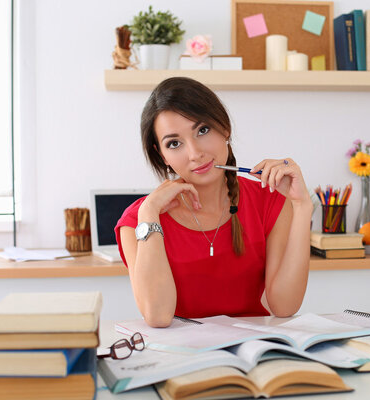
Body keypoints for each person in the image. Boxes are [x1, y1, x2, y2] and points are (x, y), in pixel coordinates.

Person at [115, 77, 312, 327]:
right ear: (161, 155)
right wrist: (150, 212)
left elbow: (285, 307)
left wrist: (302, 205)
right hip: (180, 357)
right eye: (174, 143)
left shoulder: (269, 200)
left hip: (253, 349)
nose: (195, 153)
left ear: (224, 128)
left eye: (203, 130)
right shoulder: (138, 220)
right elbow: (157, 316)